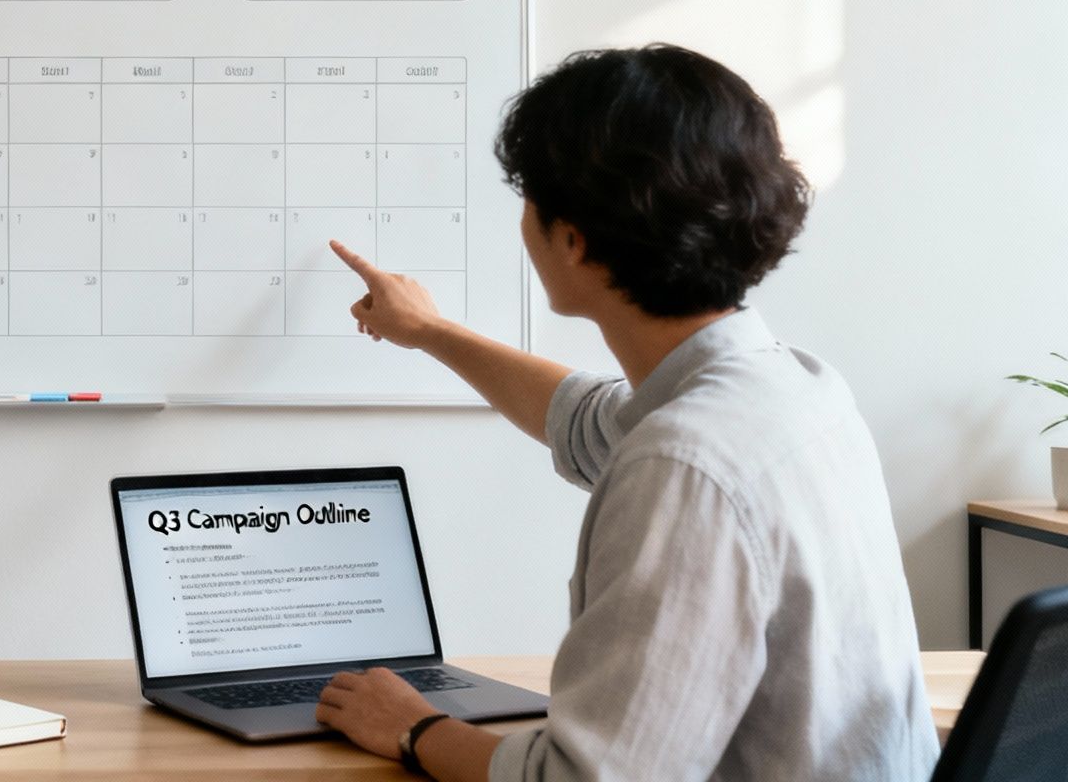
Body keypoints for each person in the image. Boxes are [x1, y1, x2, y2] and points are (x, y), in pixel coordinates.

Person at [317, 45, 938, 780]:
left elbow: (584, 779)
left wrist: (416, 727)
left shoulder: (684, 465)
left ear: (573, 240)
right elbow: (588, 420)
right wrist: (429, 330)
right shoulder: (794, 390)